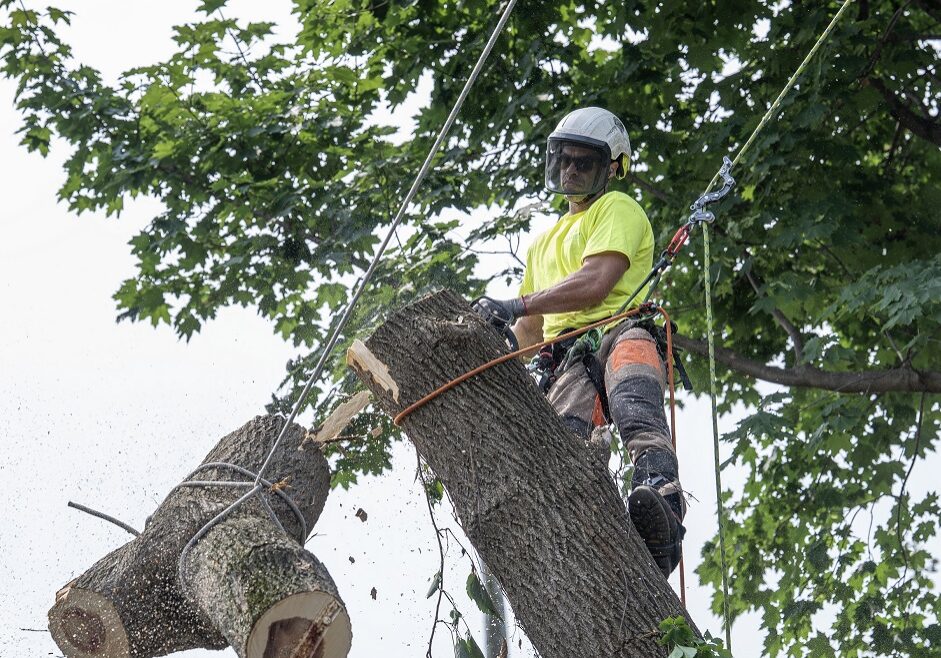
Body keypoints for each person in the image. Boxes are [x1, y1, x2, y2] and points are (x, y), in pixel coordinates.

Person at [474, 106, 686, 578]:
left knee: (633, 398)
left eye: (583, 162)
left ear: (612, 167)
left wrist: (514, 303)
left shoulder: (617, 209)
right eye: (564, 159)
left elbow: (596, 281)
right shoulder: (542, 243)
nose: (570, 169)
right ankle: (587, 545)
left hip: (617, 330)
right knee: (561, 456)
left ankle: (662, 497)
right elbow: (528, 334)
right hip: (566, 362)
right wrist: (488, 344)